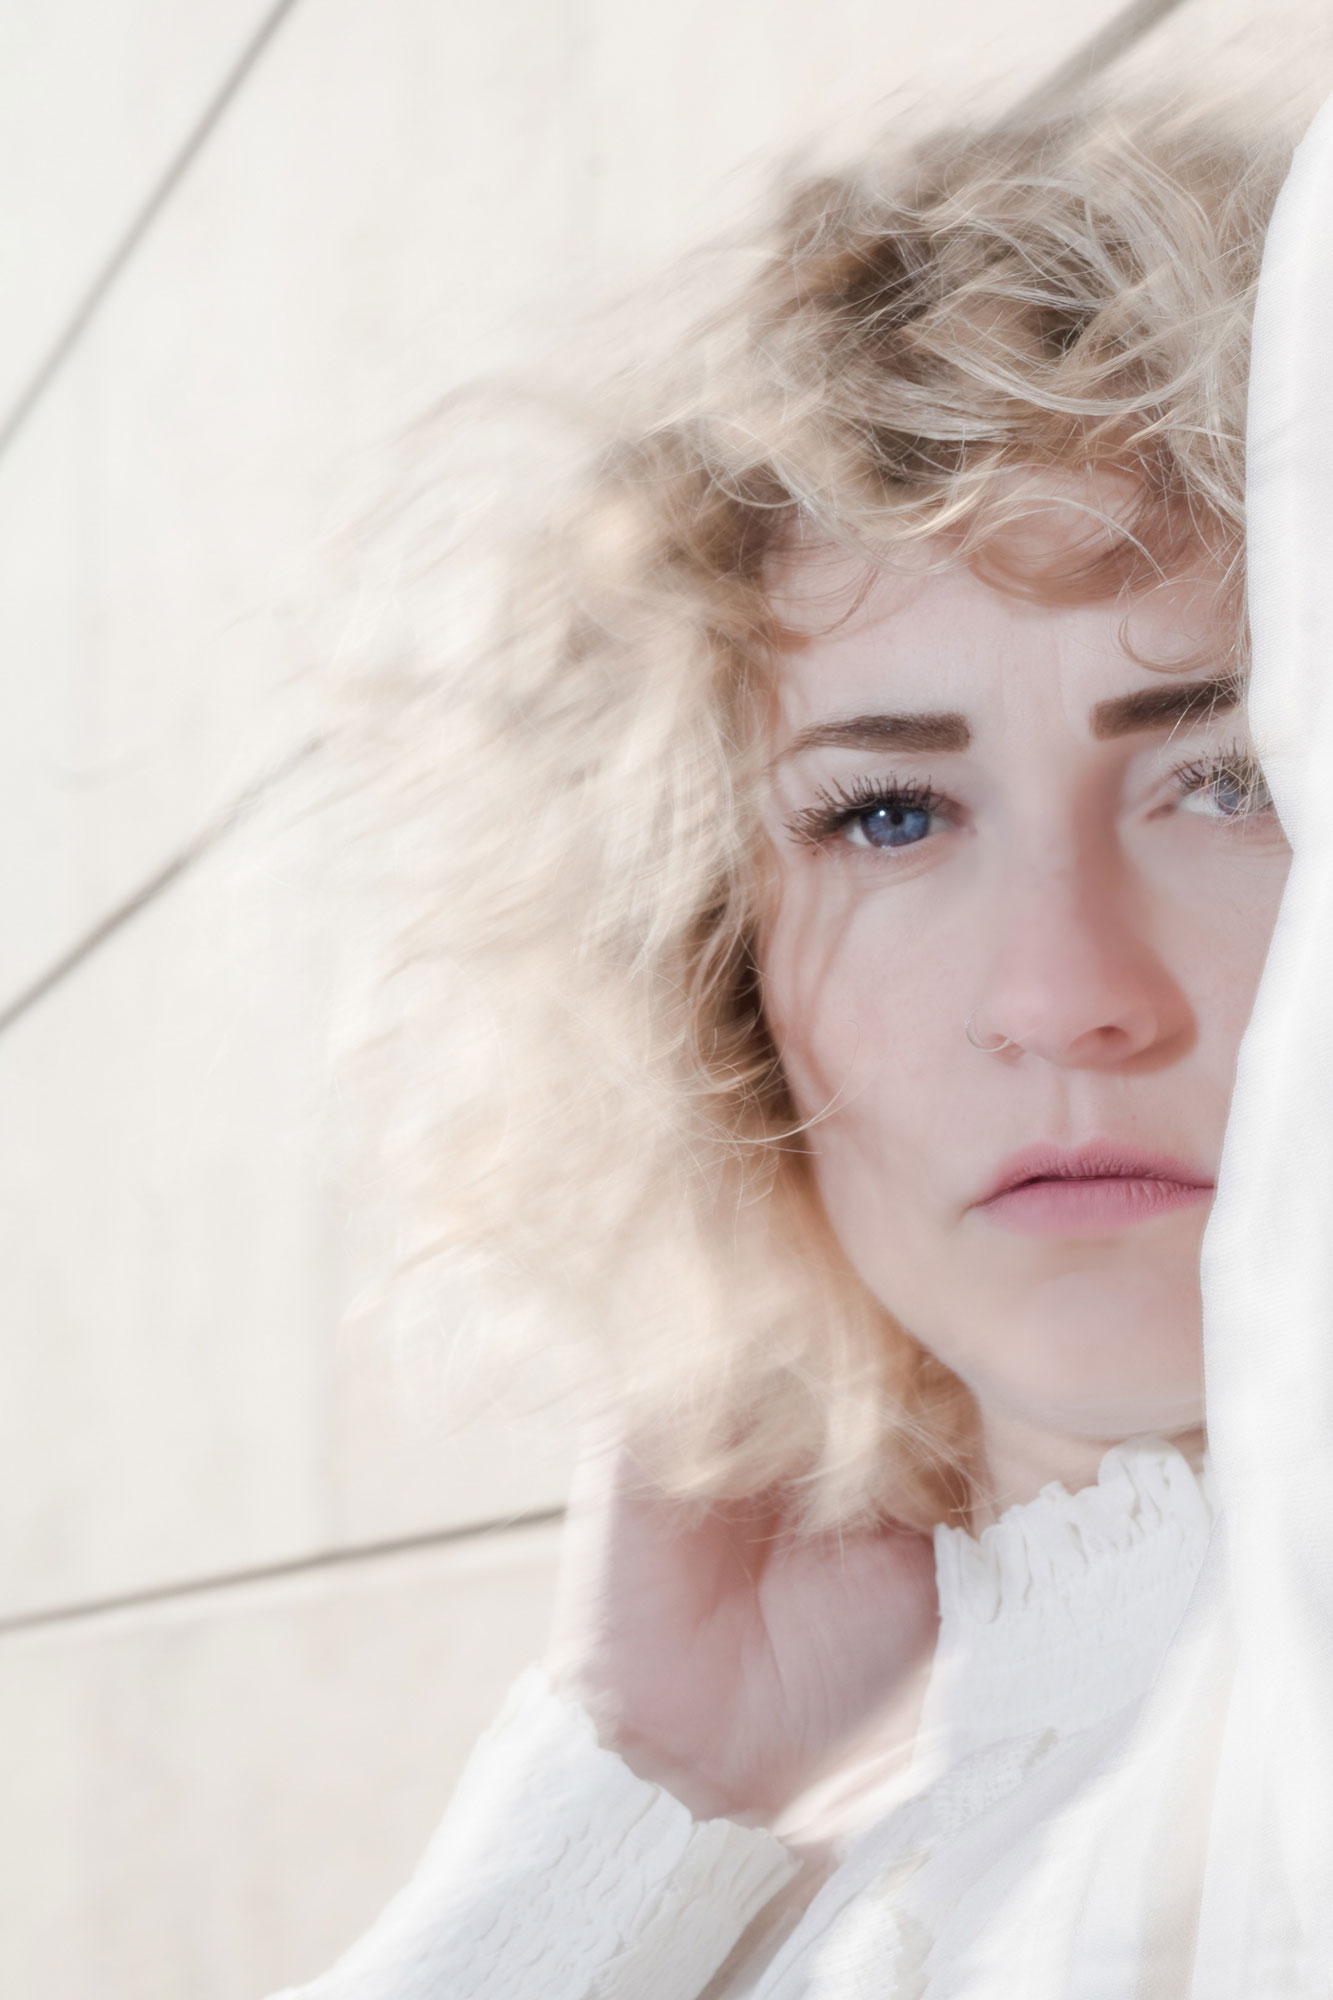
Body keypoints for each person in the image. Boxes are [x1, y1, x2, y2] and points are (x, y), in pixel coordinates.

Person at [275, 80, 1333, 1998]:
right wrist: (632, 1791)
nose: (1060, 992)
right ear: (715, 975)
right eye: (889, 814)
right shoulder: (744, 1865)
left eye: (1228, 776)